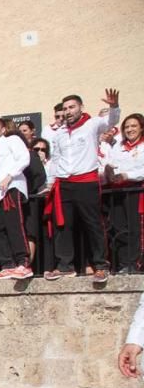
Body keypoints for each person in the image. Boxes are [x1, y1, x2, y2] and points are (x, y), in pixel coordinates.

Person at [42, 89, 121, 282]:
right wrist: (51, 183)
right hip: (64, 183)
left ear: (81, 108)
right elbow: (57, 159)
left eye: (72, 107)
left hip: (86, 181)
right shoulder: (60, 133)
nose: (68, 111)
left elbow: (111, 121)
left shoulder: (92, 124)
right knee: (63, 225)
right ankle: (65, 266)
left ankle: (101, 265)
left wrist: (113, 106)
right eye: (66, 108)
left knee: (93, 224)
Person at [0, 118, 33, 279]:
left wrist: (10, 176)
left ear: (3, 129)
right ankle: (7, 264)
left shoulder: (12, 140)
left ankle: (23, 262)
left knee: (14, 225)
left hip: (11, 188)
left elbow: (24, 158)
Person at [106, 113, 144, 273]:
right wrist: (109, 171)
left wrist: (127, 175)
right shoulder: (118, 147)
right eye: (127, 127)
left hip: (136, 191)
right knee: (119, 228)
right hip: (118, 191)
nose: (130, 129)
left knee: (135, 228)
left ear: (141, 127)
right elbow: (113, 164)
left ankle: (134, 263)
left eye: (133, 126)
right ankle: (123, 263)